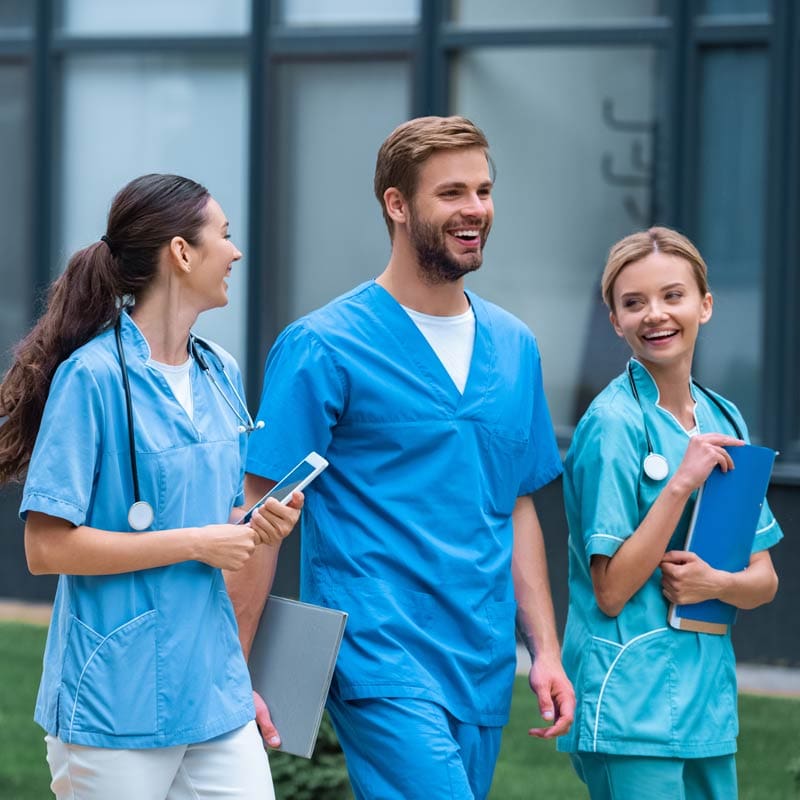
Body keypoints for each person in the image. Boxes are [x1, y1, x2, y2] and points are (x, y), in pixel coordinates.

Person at [226, 115, 575, 799]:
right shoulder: (323, 346)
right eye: (451, 193)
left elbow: (516, 507)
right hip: (377, 650)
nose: (475, 208)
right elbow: (259, 510)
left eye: (483, 190)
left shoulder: (516, 348)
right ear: (397, 204)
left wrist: (546, 652)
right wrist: (235, 668)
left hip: (480, 655)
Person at [0, 173, 302, 800]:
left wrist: (256, 525)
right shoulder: (91, 378)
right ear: (182, 252)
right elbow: (45, 548)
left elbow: (220, 516)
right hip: (115, 695)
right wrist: (197, 542)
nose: (236, 252)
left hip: (213, 689)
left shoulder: (221, 372)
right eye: (224, 235)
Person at [557, 226, 782, 799]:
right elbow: (611, 591)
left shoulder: (725, 419)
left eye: (672, 295)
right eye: (634, 303)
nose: (655, 314)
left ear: (705, 305)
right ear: (615, 321)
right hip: (630, 704)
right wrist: (681, 483)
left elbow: (763, 581)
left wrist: (715, 583)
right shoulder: (612, 425)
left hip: (707, 705)